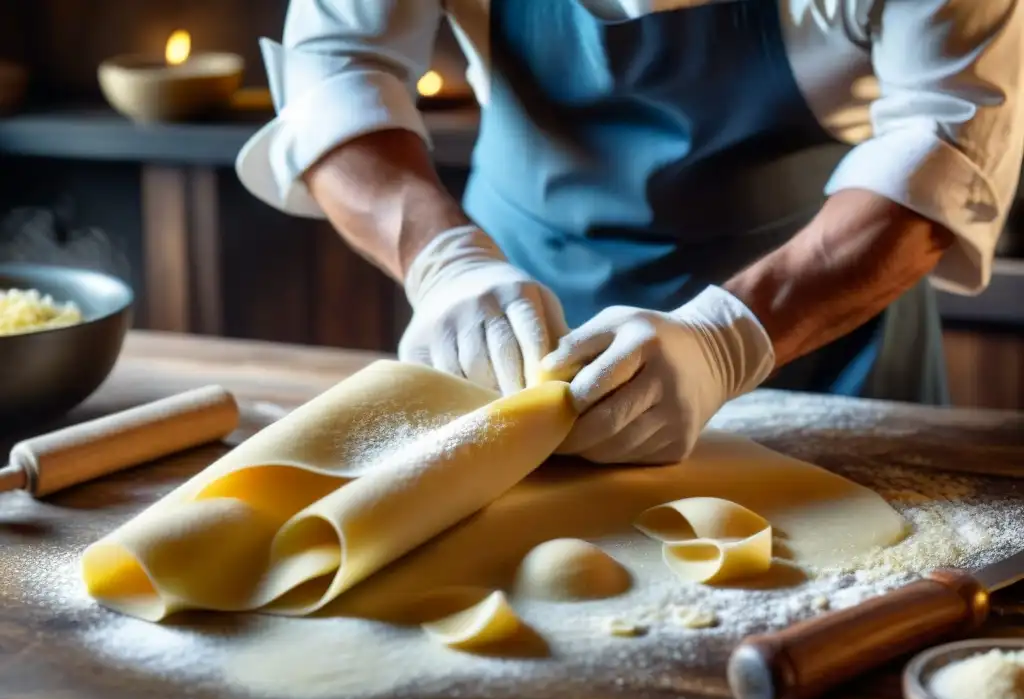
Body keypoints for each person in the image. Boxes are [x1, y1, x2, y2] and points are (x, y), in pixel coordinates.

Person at [237, 0, 1023, 465]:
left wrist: (725, 340)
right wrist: (444, 263)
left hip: (821, 326)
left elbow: (946, 147)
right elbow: (336, 72)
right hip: (512, 303)